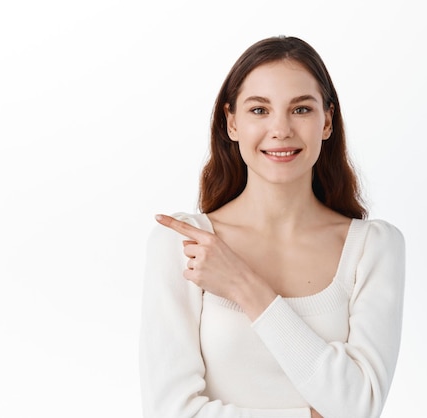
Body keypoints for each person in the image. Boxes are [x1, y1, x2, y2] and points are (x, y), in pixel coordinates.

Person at [139, 36, 405, 418]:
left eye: (300, 109)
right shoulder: (182, 243)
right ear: (231, 122)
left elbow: (358, 407)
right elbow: (169, 411)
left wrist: (243, 286)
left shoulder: (374, 248)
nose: (280, 129)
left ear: (326, 121)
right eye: (259, 110)